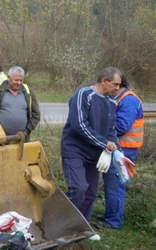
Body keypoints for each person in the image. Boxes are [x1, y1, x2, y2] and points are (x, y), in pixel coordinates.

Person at [61, 67, 121, 221]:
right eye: (115, 84)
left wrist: (115, 147)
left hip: (95, 154)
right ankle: (65, 223)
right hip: (75, 150)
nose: (118, 88)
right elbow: (79, 124)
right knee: (79, 188)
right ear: (104, 81)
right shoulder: (84, 94)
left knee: (91, 193)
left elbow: (111, 129)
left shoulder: (112, 102)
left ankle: (82, 225)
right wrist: (104, 143)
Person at [100, 72, 144, 229]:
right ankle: (112, 215)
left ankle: (113, 222)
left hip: (123, 151)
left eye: (113, 86)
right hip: (118, 149)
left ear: (119, 86)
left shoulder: (129, 101)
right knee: (111, 184)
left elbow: (121, 126)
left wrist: (100, 127)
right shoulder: (121, 98)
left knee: (115, 186)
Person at [0, 66, 41, 141]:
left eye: (21, 80)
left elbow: (36, 115)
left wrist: (26, 131)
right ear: (9, 78)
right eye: (16, 80)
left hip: (21, 140)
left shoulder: (28, 92)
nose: (19, 83)